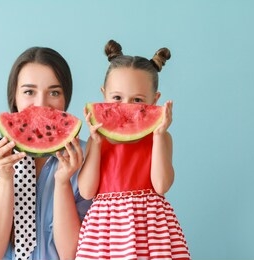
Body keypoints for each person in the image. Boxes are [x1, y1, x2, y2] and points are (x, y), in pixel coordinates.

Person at [0, 46, 92, 260]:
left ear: (66, 99)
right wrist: (4, 179)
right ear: (14, 95)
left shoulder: (87, 157)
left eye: (54, 92)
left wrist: (63, 182)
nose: (41, 105)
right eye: (29, 91)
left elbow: (72, 254)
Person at [76, 40, 191, 259]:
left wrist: (158, 135)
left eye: (137, 100)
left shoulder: (162, 138)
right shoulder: (96, 139)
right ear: (104, 94)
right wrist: (97, 143)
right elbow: (87, 191)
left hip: (151, 229)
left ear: (155, 101)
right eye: (117, 98)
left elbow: (161, 185)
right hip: (105, 229)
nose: (126, 107)